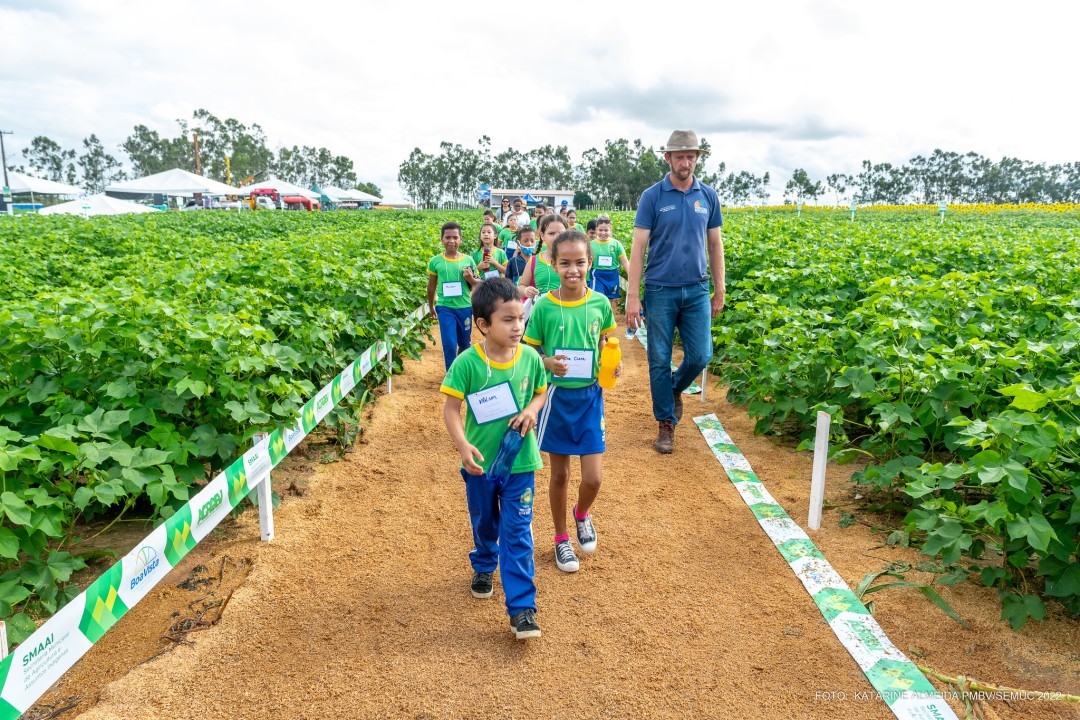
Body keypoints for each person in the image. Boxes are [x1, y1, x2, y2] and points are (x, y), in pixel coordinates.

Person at [441, 277, 548, 640]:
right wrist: (463, 446)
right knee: (485, 522)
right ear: (483, 324)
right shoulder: (467, 363)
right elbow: (451, 409)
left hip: (521, 463)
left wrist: (532, 410)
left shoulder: (530, 358)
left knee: (517, 532)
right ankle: (485, 561)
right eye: (508, 319)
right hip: (480, 465)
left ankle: (522, 609)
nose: (518, 327)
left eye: (520, 319)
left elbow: (540, 392)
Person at [524, 229, 619, 573]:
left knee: (593, 478)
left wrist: (612, 361)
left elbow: (606, 340)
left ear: (589, 262)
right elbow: (529, 352)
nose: (573, 270)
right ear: (553, 264)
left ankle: (582, 513)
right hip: (556, 399)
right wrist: (546, 363)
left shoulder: (600, 303)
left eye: (579, 262)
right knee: (560, 474)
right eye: (565, 263)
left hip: (591, 397)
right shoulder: (544, 307)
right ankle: (561, 538)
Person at [625, 130, 725, 454]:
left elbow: (715, 244)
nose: (686, 162)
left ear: (697, 158)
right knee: (658, 358)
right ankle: (666, 424)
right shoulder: (652, 197)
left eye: (691, 156)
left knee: (701, 355)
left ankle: (672, 388)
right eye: (680, 156)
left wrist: (720, 288)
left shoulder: (707, 196)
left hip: (697, 289)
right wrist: (632, 297)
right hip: (659, 289)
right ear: (668, 158)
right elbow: (638, 247)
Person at [428, 222, 481, 370]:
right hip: (445, 307)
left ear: (460, 240)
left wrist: (470, 278)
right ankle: (451, 375)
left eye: (455, 237)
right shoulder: (435, 261)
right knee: (450, 344)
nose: (451, 241)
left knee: (464, 344)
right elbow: (431, 286)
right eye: (447, 237)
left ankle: (460, 370)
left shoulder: (468, 260)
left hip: (464, 307)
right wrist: (431, 306)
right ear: (442, 239)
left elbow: (478, 282)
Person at [517, 214, 566, 301]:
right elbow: (521, 286)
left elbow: (583, 288)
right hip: (543, 308)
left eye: (561, 234)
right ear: (542, 236)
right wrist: (526, 290)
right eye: (551, 233)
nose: (556, 237)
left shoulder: (574, 259)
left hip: (568, 307)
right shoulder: (534, 261)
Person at [589, 215, 630, 316]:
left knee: (609, 300)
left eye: (606, 230)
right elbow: (587, 261)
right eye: (600, 230)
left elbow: (624, 261)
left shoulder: (616, 244)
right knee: (598, 297)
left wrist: (631, 276)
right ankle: (598, 318)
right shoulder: (591, 245)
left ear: (611, 230)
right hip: (597, 276)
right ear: (596, 230)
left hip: (612, 276)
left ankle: (606, 319)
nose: (603, 233)